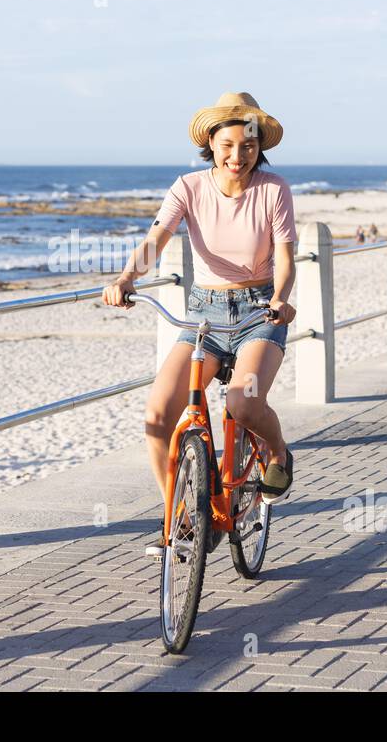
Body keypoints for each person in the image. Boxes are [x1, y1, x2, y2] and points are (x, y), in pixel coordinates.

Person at [103, 92, 298, 555]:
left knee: (244, 405)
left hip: (258, 311)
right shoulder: (188, 187)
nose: (238, 155)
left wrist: (281, 299)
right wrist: (127, 278)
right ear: (210, 143)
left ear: (259, 148)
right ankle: (184, 517)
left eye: (248, 146)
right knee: (157, 417)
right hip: (204, 314)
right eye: (227, 145)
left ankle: (277, 453)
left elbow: (287, 259)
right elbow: (157, 239)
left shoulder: (273, 189)